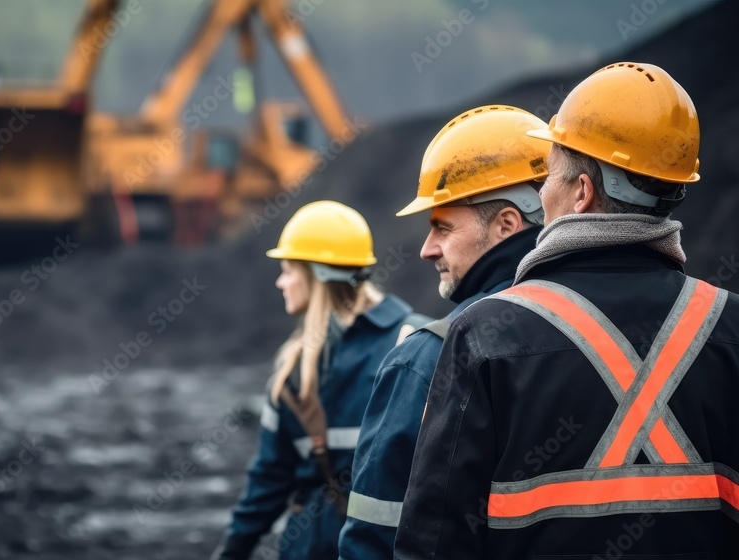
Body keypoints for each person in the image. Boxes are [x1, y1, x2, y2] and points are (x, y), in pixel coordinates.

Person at [395, 62, 739, 559]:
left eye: (550, 175)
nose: (542, 194)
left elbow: (434, 540)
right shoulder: (728, 326)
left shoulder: (486, 334)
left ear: (581, 192)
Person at [338, 105, 550, 560]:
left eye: (442, 227)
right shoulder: (611, 334)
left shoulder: (428, 357)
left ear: (507, 225)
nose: (426, 249)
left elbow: (376, 536)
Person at [212, 200, 431, 560]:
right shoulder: (418, 339)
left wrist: (231, 551)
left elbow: (268, 481)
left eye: (287, 269)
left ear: (317, 274)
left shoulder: (296, 368)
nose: (281, 281)